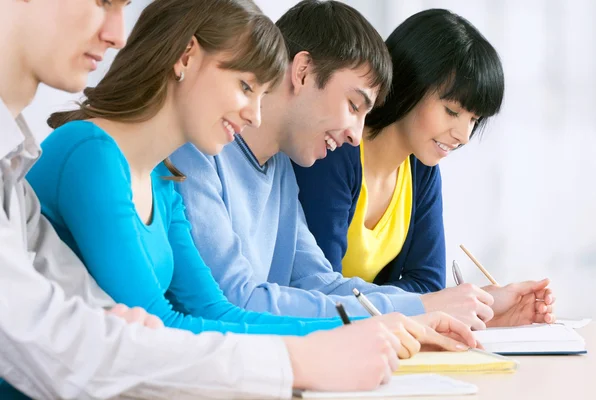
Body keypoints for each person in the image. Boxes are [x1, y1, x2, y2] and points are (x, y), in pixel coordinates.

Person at [0, 0, 448, 398]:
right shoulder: (93, 154)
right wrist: (316, 349)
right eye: (246, 86)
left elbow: (204, 311)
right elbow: (148, 326)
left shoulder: (162, 175)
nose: (254, 114)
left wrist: (358, 329)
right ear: (188, 57)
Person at [171, 0, 555, 329]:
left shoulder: (282, 168)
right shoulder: (200, 149)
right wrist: (420, 308)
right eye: (353, 106)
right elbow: (235, 302)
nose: (355, 134)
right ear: (302, 71)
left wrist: (461, 307)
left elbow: (320, 283)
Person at [293, 8, 556, 329]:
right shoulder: (333, 149)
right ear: (410, 83)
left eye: (473, 120)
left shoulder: (421, 169)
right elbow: (321, 292)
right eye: (451, 111)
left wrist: (469, 303)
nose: (463, 136)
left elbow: (428, 284)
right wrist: (427, 303)